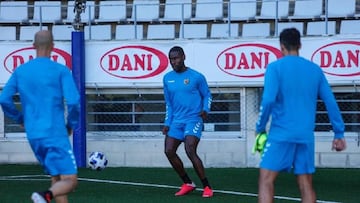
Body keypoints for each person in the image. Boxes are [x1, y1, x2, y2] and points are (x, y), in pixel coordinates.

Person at [255, 28, 346, 203]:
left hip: (280, 134)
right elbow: (331, 102)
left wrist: (260, 128)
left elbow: (267, 101)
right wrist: (339, 133)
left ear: (281, 47)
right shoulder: (314, 70)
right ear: (300, 45)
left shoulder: (274, 68)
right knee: (305, 184)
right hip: (305, 136)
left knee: (266, 181)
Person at [0, 30, 80, 203]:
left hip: (34, 135)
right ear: (53, 46)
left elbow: (4, 99)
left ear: (33, 46)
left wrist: (20, 119)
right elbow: (73, 101)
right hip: (55, 133)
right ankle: (45, 196)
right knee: (71, 181)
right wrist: (70, 124)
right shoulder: (61, 70)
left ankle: (48, 194)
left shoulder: (21, 71)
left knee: (57, 179)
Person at [162, 46, 213, 198]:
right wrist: (167, 122)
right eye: (171, 59)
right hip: (176, 121)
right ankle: (188, 183)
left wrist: (205, 109)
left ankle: (207, 187)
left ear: (183, 57)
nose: (173, 62)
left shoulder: (196, 76)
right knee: (169, 151)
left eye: (176, 58)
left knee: (190, 149)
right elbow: (168, 104)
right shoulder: (167, 78)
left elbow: (207, 95)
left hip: (193, 119)